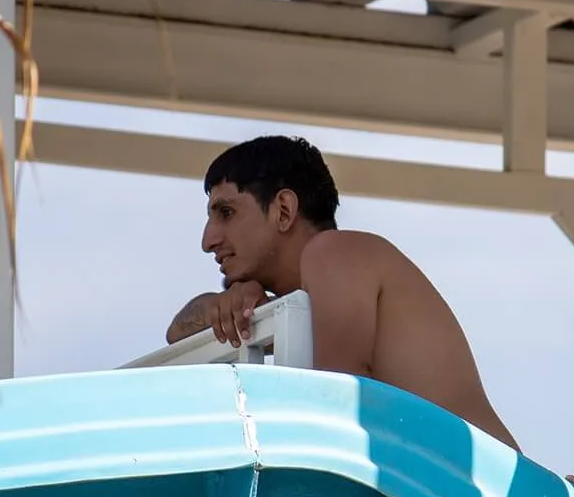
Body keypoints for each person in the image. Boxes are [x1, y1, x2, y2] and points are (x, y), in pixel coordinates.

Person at [167, 134, 522, 450]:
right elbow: (177, 334)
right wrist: (218, 306)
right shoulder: (312, 297)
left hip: (491, 493)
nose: (208, 240)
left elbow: (335, 410)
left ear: (284, 210)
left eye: (226, 212)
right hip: (457, 489)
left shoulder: (334, 253)